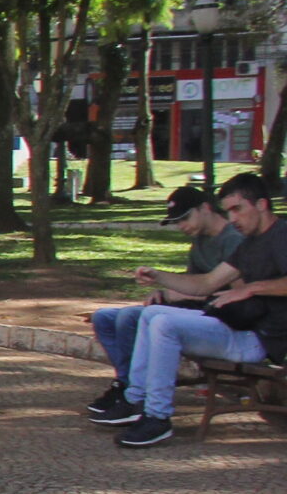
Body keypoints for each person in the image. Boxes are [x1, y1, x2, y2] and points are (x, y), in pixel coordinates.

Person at [91, 172, 287, 447]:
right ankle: (136, 400)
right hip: (235, 326)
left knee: (164, 324)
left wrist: (251, 288)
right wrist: (158, 276)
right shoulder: (249, 245)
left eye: (237, 209)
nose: (232, 219)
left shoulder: (281, 235)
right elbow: (206, 283)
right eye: (228, 210)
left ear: (262, 205)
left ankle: (157, 418)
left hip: (260, 339)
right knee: (150, 315)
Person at [85, 184, 243, 419]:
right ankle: (126, 383)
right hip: (190, 306)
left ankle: (135, 396)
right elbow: (192, 281)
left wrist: (170, 295)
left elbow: (218, 289)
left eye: (184, 218)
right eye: (177, 222)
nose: (181, 226)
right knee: (104, 318)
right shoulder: (200, 240)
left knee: (130, 319)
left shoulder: (233, 239)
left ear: (206, 208)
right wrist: (164, 292)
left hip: (217, 313)